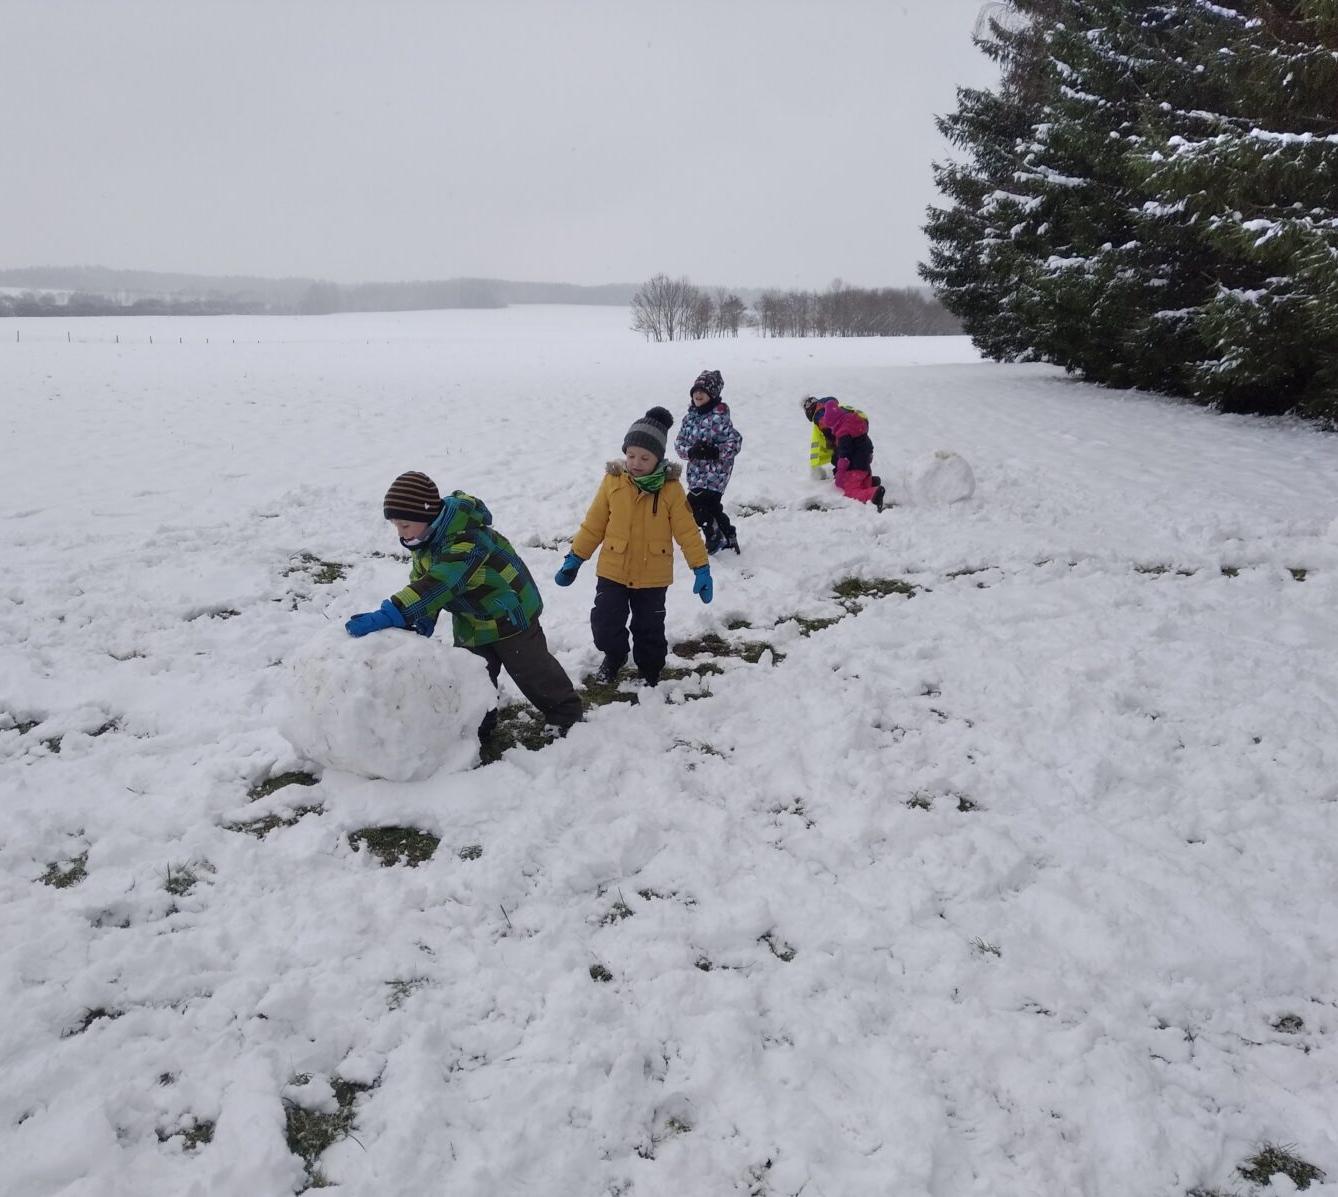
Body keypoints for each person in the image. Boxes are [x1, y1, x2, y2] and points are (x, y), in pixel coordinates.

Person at [345, 470, 584, 737]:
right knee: (474, 674)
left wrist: (392, 613)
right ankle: (479, 724)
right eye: (397, 526)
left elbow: (439, 584)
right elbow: (423, 580)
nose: (400, 533)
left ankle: (565, 713)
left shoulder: (466, 540)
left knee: (532, 670)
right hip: (471, 617)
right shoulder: (424, 539)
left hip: (510, 613)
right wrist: (425, 617)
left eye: (404, 524)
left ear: (427, 516)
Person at [553, 407, 712, 687]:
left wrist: (701, 568)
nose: (636, 463)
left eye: (645, 458)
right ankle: (614, 655)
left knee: (649, 629)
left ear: (659, 459)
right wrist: (575, 558)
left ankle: (650, 669)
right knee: (604, 624)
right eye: (631, 455)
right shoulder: (613, 482)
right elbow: (594, 523)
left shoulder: (671, 490)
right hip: (613, 569)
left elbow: (687, 532)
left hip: (653, 575)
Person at [674, 369, 743, 554]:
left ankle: (714, 536)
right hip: (696, 473)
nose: (698, 394)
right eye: (695, 391)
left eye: (703, 391)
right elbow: (679, 443)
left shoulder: (720, 417)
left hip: (716, 473)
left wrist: (716, 452)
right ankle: (729, 535)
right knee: (710, 507)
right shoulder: (689, 419)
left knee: (695, 504)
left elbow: (735, 442)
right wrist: (691, 451)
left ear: (712, 394)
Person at [802, 395, 885, 509]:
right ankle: (869, 482)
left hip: (856, 463)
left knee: (850, 490)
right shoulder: (847, 418)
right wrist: (869, 454)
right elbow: (867, 444)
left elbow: (844, 454)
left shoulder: (841, 431)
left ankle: (873, 494)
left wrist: (841, 470)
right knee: (860, 473)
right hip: (864, 460)